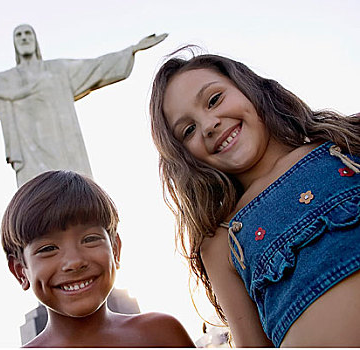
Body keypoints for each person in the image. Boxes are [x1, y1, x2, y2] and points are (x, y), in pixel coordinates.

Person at [149, 47, 360, 347]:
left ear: (250, 88)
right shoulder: (222, 239)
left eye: (214, 99)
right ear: (185, 158)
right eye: (189, 130)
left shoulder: (344, 145)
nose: (209, 126)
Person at [0, 24, 167, 187]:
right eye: (19, 35)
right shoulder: (4, 81)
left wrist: (132, 49)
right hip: (31, 157)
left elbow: (95, 66)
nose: (24, 38)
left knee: (75, 192)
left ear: (35, 42)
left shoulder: (58, 71)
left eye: (28, 34)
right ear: (14, 44)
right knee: (40, 202)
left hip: (65, 148)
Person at [1, 170, 195, 347]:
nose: (75, 261)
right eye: (48, 248)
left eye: (90, 239)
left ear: (115, 250)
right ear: (20, 271)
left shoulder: (161, 335)